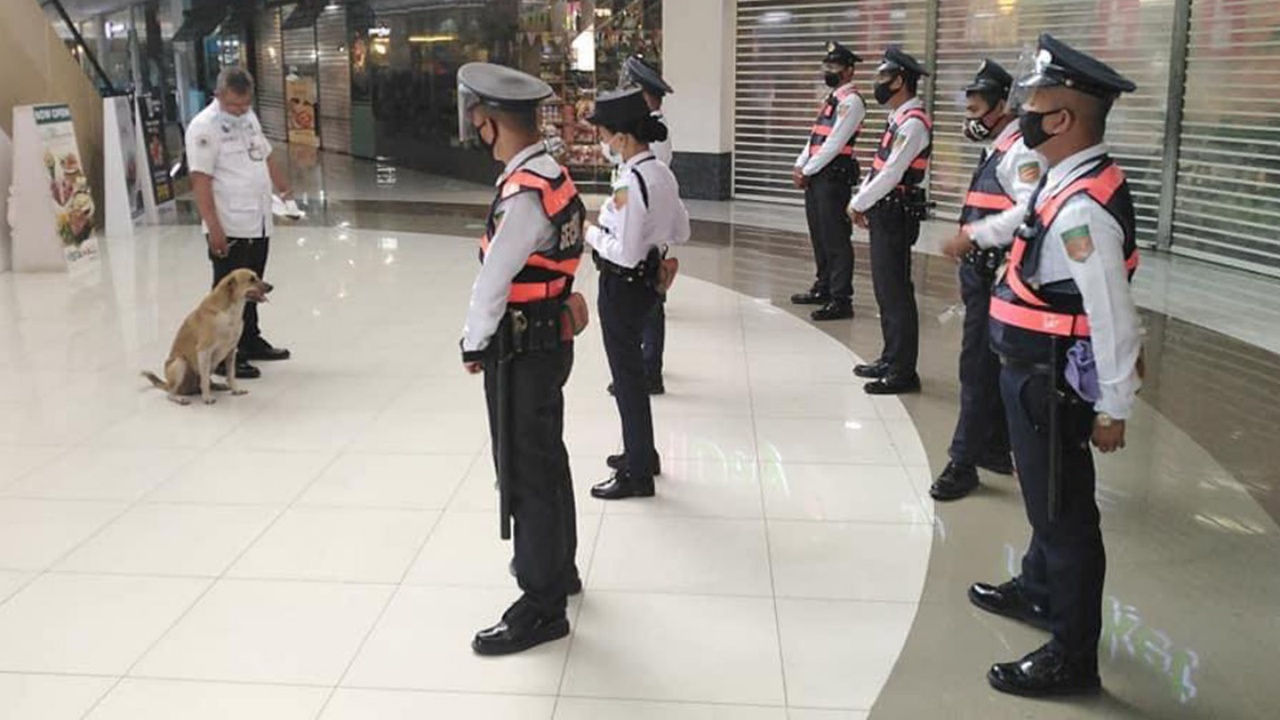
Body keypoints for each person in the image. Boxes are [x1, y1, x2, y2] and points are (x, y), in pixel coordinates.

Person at [943, 34, 1141, 697]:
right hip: (1028, 369)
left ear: (1062, 121)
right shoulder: (1066, 179)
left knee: (1066, 516)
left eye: (1035, 102)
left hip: (1051, 379)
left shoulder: (1086, 209)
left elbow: (1113, 314)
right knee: (1044, 496)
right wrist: (975, 234)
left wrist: (1115, 406)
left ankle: (1072, 654)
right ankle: (1036, 587)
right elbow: (1024, 219)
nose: (1022, 111)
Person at [458, 62, 586, 656]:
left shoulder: (523, 194)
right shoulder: (552, 174)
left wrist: (473, 341)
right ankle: (559, 568)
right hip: (547, 340)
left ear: (487, 122)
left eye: (476, 118)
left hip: (521, 346)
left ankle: (542, 605)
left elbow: (493, 278)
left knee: (524, 470)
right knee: (546, 456)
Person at [930, 59, 1046, 501]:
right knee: (986, 362)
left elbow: (1030, 208)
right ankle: (994, 446)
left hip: (995, 272)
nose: (971, 117)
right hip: (982, 273)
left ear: (1003, 105)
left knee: (976, 366)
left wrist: (975, 236)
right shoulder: (1001, 144)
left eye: (977, 108)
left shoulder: (1020, 150)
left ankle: (963, 462)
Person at [585, 88, 691, 501]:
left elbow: (625, 254)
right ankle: (643, 453)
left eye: (606, 135)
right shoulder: (662, 173)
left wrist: (592, 233)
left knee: (627, 380)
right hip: (650, 284)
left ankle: (638, 472)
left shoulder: (630, 182)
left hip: (622, 286)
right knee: (630, 375)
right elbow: (682, 231)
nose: (604, 143)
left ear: (624, 138)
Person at [185, 67, 293, 380]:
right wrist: (214, 228)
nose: (240, 110)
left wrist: (283, 187)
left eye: (245, 104)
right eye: (233, 105)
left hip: (258, 220)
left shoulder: (248, 118)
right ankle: (221, 356)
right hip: (229, 224)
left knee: (253, 287)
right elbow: (200, 179)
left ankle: (250, 339)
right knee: (227, 295)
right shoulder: (204, 128)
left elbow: (265, 155)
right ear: (218, 95)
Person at [848, 47, 932, 394]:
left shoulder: (912, 124)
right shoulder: (898, 119)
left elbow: (892, 174)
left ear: (900, 80)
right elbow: (878, 169)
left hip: (896, 212)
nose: (878, 83)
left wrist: (857, 203)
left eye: (884, 77)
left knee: (896, 292)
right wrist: (864, 201)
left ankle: (902, 371)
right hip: (885, 210)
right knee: (886, 290)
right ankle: (890, 356)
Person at [789, 41, 866, 322]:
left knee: (835, 238)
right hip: (817, 174)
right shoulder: (831, 99)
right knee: (819, 234)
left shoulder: (851, 102)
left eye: (834, 67)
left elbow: (835, 143)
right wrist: (801, 164)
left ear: (849, 71)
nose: (828, 71)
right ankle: (823, 286)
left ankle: (840, 297)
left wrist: (808, 170)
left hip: (832, 176)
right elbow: (816, 138)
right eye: (827, 66)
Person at [622, 55, 675, 394]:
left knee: (651, 304)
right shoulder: (646, 124)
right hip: (644, 225)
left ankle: (650, 370)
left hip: (649, 230)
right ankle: (646, 365)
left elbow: (649, 181)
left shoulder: (654, 130)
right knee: (644, 303)